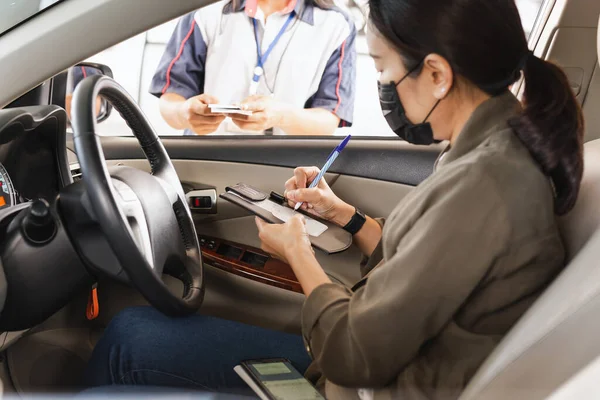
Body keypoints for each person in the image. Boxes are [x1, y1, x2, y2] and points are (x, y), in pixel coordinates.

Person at [84, 0, 584, 398]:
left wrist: (299, 252)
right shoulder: (481, 154)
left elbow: (352, 354)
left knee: (128, 347)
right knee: (132, 329)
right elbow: (425, 262)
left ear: (436, 74)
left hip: (356, 380)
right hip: (360, 372)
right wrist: (345, 218)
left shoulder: (487, 185)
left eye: (386, 70)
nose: (385, 86)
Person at [149, 0, 356, 136]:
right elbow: (171, 99)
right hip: (207, 160)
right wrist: (185, 113)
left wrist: (280, 116)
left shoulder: (336, 24)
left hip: (286, 171)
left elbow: (329, 119)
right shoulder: (205, 10)